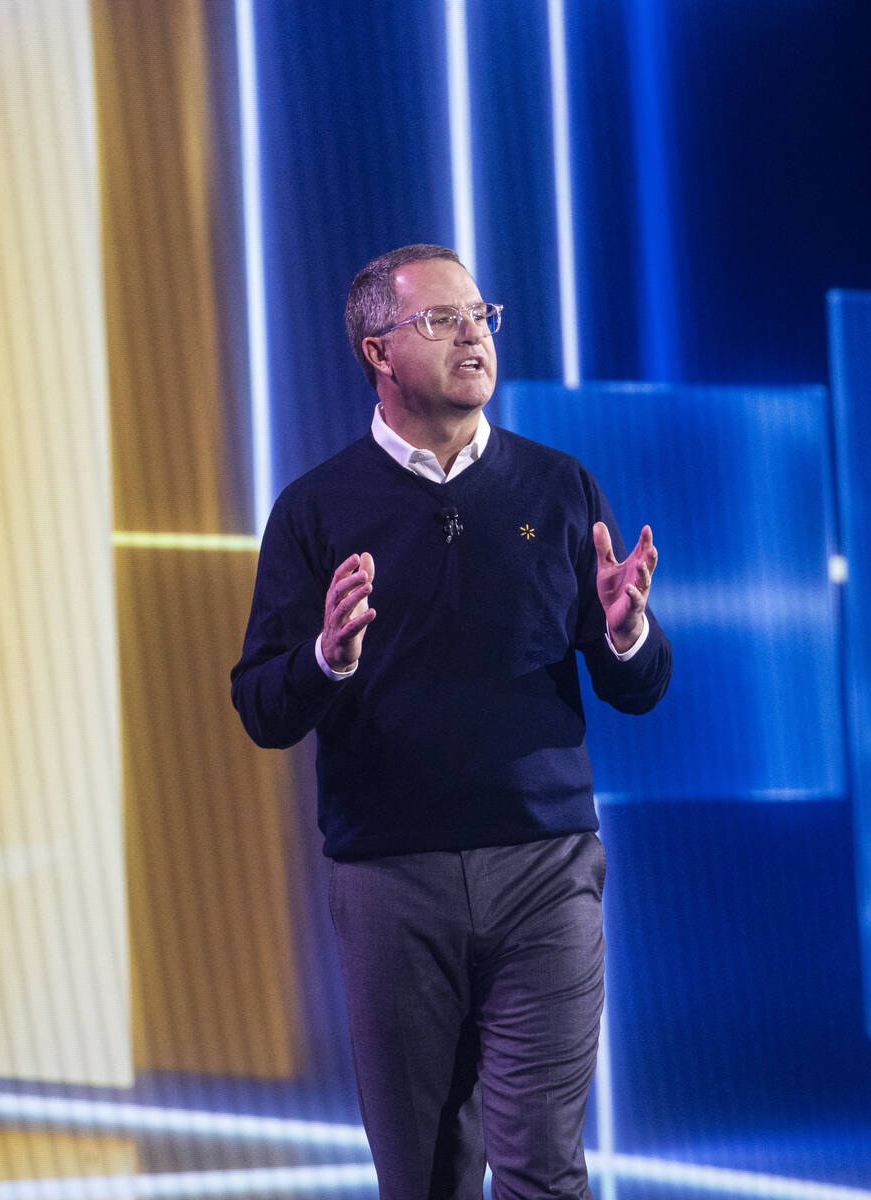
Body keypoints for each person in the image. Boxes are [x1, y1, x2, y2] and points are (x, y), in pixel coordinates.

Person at [231, 244, 671, 1199]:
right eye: (441, 318)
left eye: (480, 313)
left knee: (543, 1167)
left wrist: (625, 631)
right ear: (377, 353)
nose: (473, 331)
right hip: (392, 881)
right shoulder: (315, 509)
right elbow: (260, 706)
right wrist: (326, 659)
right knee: (426, 1177)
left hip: (546, 873)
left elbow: (633, 688)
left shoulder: (558, 488)